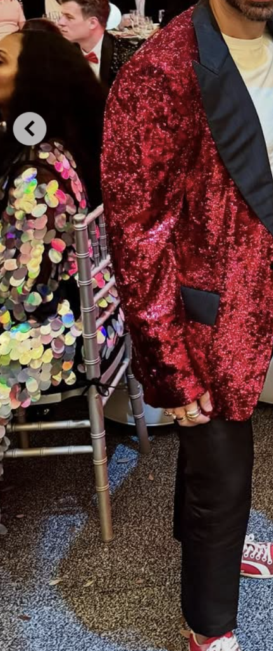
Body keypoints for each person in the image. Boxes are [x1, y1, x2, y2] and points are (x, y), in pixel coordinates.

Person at [101, 0, 273, 651]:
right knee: (223, 469)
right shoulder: (159, 74)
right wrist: (169, 371)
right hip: (199, 319)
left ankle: (211, 559)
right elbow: (137, 232)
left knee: (213, 457)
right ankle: (208, 629)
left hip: (259, 298)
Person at [0, 30, 115, 476]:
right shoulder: (52, 148)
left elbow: (21, 296)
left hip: (70, 334)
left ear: (33, 81)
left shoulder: (37, 176)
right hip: (92, 316)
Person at [58, 0, 135, 89]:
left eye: (69, 17)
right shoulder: (62, 53)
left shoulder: (126, 58)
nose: (60, 23)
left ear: (92, 23)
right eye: (62, 16)